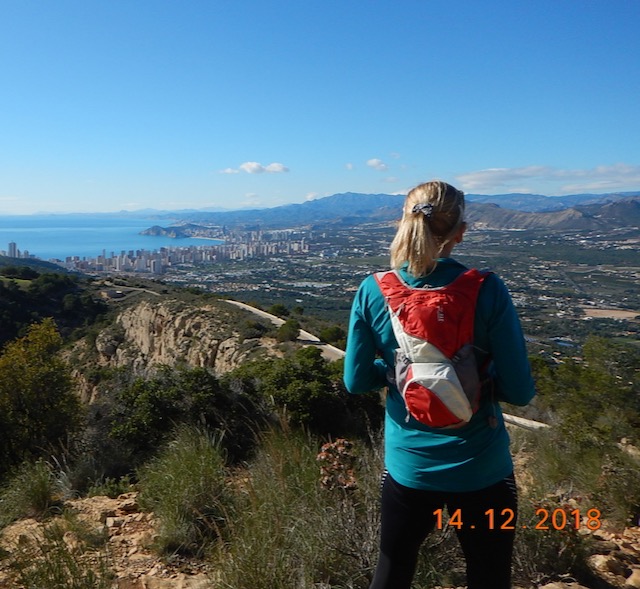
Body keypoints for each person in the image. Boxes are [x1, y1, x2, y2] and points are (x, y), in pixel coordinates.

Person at [343, 180, 535, 589]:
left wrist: (397, 375)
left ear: (403, 222)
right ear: (460, 232)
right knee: (489, 575)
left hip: (410, 471)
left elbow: (356, 380)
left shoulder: (373, 290)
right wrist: (476, 382)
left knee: (392, 570)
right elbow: (520, 391)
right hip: (481, 471)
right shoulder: (487, 289)